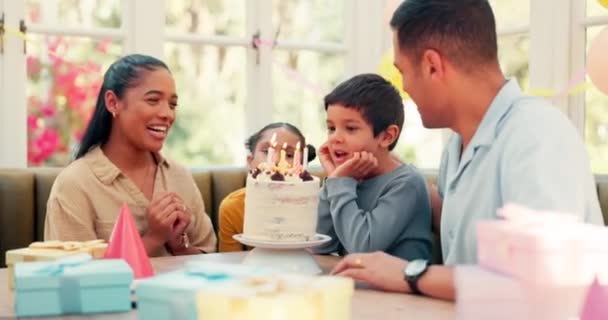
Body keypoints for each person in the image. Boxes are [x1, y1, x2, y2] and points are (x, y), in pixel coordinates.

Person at [332, 0, 603, 301]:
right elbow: (457, 224)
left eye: (403, 71)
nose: (404, 86)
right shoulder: (457, 144)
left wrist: (409, 273)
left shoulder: (537, 133)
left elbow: (544, 275)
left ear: (432, 65)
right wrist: (376, 171)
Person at [44, 54, 217, 256]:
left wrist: (179, 246)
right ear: (113, 103)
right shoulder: (74, 185)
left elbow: (209, 260)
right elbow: (75, 278)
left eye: (172, 104)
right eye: (153, 100)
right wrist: (153, 238)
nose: (167, 114)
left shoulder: (180, 177)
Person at [314, 73, 433, 261]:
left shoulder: (406, 183)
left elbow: (363, 248)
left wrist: (339, 183)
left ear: (387, 136)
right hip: (363, 286)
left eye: (351, 128)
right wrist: (333, 181)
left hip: (401, 289)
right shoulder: (348, 179)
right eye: (331, 128)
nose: (335, 138)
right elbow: (320, 243)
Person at [218, 122, 316, 252]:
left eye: (290, 155)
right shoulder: (233, 207)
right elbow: (230, 261)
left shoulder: (314, 205)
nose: (276, 161)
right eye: (267, 152)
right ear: (250, 162)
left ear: (302, 166)